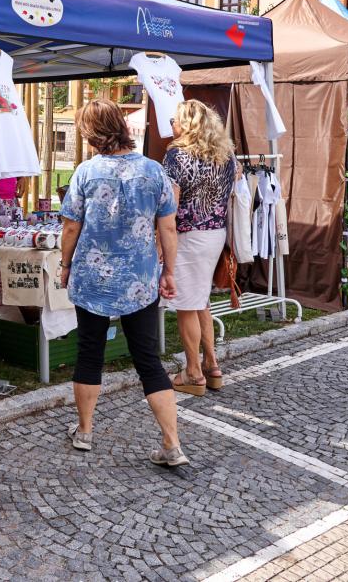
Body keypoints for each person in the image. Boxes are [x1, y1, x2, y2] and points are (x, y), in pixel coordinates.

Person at [58, 99, 186, 465]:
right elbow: (168, 228)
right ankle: (172, 443)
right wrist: (169, 271)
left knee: (89, 353)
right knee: (148, 360)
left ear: (91, 134)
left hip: (93, 278)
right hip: (139, 279)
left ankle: (85, 431)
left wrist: (65, 265)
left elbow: (71, 227)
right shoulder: (154, 171)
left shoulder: (86, 172)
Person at [160, 100, 236, 395]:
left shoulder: (177, 156)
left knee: (187, 306)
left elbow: (170, 206)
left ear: (186, 124)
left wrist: (161, 242)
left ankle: (193, 373)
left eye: (174, 120)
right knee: (200, 299)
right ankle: (211, 364)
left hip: (188, 236)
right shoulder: (226, 155)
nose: (172, 125)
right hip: (215, 234)